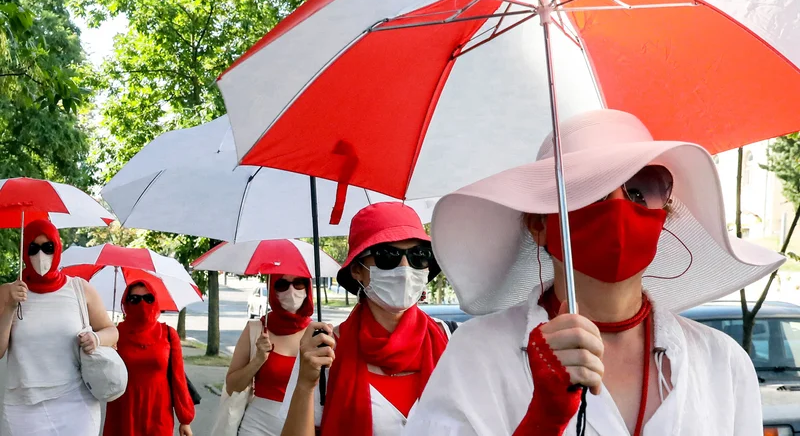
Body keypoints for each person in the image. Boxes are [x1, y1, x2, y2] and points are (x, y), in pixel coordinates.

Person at [403, 109, 780, 435]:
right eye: (588, 191)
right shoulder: (476, 355)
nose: (618, 208)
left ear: (663, 213)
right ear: (538, 224)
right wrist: (541, 422)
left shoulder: (722, 362)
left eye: (640, 189)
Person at [281, 202, 454, 436]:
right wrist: (304, 385)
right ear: (357, 270)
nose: (404, 268)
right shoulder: (324, 350)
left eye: (418, 255)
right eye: (387, 255)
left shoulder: (449, 337)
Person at [0, 219, 119, 435]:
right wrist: (9, 307)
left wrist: (96, 339)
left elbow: (112, 331)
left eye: (48, 248)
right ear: (24, 252)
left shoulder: (79, 289)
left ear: (58, 248)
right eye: (33, 248)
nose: (40, 256)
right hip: (23, 406)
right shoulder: (8, 292)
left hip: (76, 402)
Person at [103, 273, 195, 436]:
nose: (142, 304)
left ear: (155, 301)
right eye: (135, 299)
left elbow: (178, 379)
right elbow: (103, 372)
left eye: (148, 298)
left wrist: (185, 419)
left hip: (158, 412)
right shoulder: (115, 333)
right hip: (124, 410)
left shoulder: (168, 334)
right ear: (126, 302)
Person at [227, 273, 314, 436]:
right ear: (272, 289)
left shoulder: (318, 334)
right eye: (282, 284)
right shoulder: (256, 329)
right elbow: (232, 386)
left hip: (302, 425)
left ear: (308, 288)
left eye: (299, 283)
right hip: (257, 426)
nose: (291, 291)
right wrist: (258, 360)